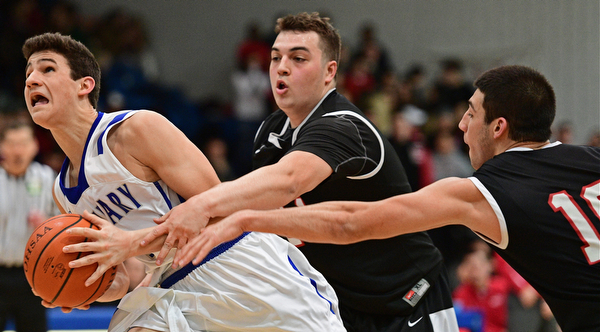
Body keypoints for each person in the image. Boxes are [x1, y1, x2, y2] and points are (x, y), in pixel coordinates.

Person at [185, 65, 600, 332]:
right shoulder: (591, 158)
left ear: (498, 127)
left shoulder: (485, 191)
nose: (461, 124)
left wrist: (247, 219)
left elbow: (351, 222)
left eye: (472, 113)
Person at [141, 12, 459, 332]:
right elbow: (256, 213)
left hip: (407, 298)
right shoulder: (270, 132)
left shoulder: (344, 126)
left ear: (329, 71)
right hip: (339, 306)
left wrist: (200, 204)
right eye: (276, 57)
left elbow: (288, 181)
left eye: (298, 58)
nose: (282, 67)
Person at [23, 32, 344, 332]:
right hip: (170, 283)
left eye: (47, 69)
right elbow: (128, 274)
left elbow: (219, 209)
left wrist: (131, 242)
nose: (32, 80)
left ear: (84, 86)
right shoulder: (63, 190)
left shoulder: (135, 131)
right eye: (28, 74)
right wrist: (80, 288)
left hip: (234, 263)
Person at [0, 117, 58, 332]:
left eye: (23, 143)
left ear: (34, 146)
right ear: (2, 147)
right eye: (12, 144)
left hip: (33, 276)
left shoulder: (48, 178)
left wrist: (48, 226)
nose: (18, 150)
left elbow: (64, 225)